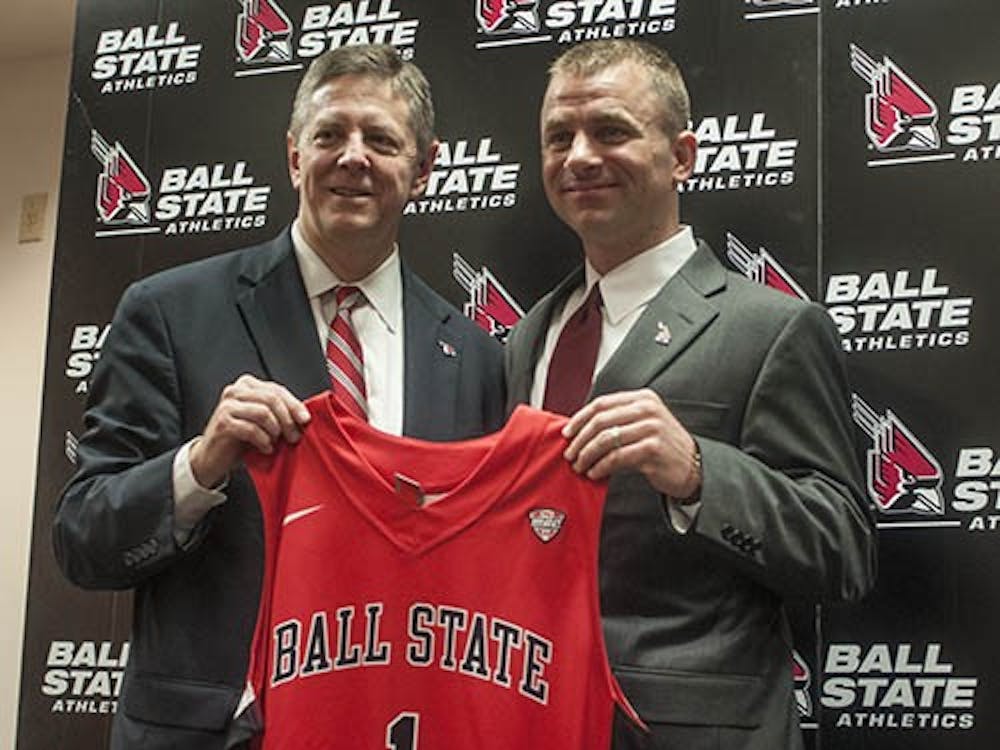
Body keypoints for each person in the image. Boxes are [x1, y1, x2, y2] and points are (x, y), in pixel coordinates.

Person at [53, 44, 505, 750]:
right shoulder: (169, 313)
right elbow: (83, 540)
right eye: (329, 135)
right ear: (295, 157)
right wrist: (198, 468)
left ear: (424, 170)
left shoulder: (475, 357)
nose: (352, 157)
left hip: (397, 727)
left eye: (381, 140)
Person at [506, 40, 877, 750]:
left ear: (681, 156)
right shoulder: (528, 336)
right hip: (534, 716)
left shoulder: (773, 328)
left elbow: (844, 549)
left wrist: (699, 472)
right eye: (559, 137)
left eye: (611, 130)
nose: (579, 156)